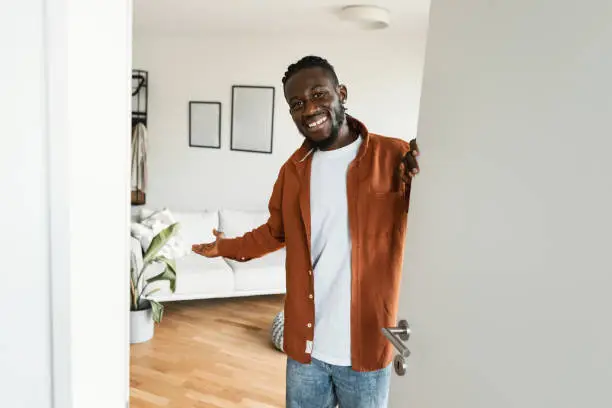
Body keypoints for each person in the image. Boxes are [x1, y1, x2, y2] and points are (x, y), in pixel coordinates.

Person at [192, 56, 420, 408]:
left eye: (319, 94)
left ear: (341, 93)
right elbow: (274, 232)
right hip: (306, 350)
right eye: (297, 104)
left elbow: (430, 216)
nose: (309, 108)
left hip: (368, 346)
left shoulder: (394, 157)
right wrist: (225, 247)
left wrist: (431, 169)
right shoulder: (293, 171)